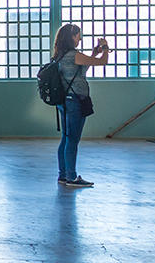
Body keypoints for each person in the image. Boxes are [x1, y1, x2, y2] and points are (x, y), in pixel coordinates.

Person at [52, 24, 109, 188]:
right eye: (78, 35)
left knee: (66, 138)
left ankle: (63, 175)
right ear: (71, 36)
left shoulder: (60, 55)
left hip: (65, 101)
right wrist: (105, 48)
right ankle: (72, 177)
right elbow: (103, 62)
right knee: (73, 140)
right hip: (75, 102)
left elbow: (81, 70)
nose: (80, 38)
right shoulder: (73, 55)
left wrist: (93, 53)